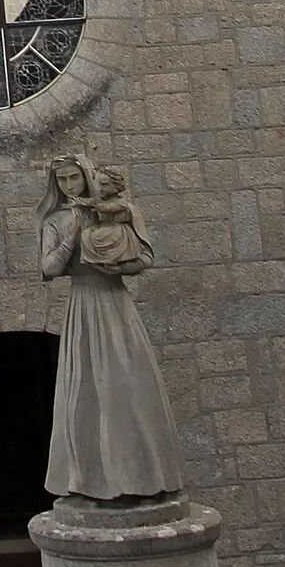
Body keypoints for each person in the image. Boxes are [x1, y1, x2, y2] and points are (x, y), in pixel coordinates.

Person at [39, 154, 184, 505]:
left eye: (75, 178)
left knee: (130, 388)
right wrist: (70, 238)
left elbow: (144, 258)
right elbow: (48, 268)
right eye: (62, 181)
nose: (70, 186)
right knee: (86, 392)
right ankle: (88, 481)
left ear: (87, 177)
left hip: (116, 305)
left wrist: (118, 260)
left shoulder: (113, 211)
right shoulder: (56, 220)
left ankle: (144, 478)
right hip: (83, 308)